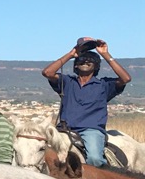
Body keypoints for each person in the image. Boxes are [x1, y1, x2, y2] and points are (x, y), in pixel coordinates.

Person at [42, 37, 132, 167]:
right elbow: (47, 72)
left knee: (95, 158)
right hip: (64, 129)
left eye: (91, 60)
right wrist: (71, 54)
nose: (86, 61)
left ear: (96, 66)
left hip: (91, 130)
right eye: (81, 60)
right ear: (76, 65)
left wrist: (105, 54)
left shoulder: (104, 85)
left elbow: (126, 78)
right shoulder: (67, 82)